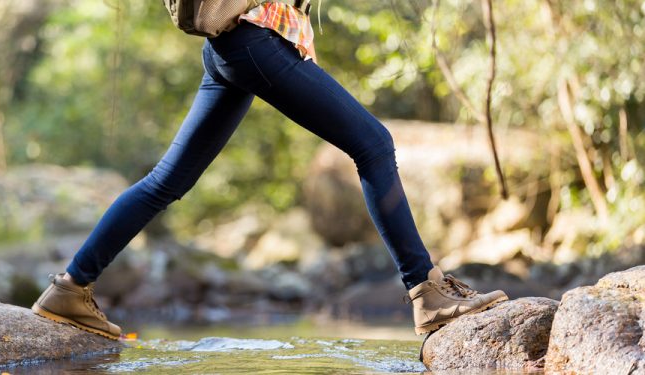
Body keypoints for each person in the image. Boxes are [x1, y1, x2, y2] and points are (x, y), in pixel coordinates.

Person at [31, 0, 508, 340]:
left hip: (230, 46)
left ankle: (70, 289)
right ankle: (426, 291)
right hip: (255, 38)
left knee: (165, 182)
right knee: (374, 145)